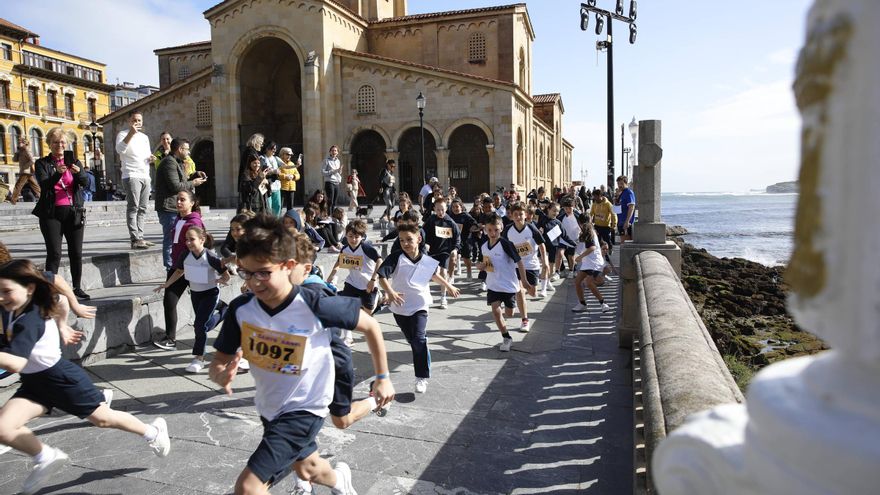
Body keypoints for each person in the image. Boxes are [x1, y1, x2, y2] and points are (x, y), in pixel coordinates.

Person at [208, 214, 394, 495]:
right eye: (247, 273)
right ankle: (339, 480)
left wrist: (383, 377)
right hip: (270, 408)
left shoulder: (313, 304)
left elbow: (370, 325)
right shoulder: (241, 310)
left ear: (289, 266)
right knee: (307, 468)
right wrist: (221, 375)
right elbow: (219, 361)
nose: (255, 283)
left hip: (306, 408)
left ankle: (370, 404)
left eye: (264, 272)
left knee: (248, 487)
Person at [0, 260, 170, 495]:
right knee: (3, 427)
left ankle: (153, 432)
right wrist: (61, 326)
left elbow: (16, 362)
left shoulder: (30, 320)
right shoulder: (14, 307)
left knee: (103, 420)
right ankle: (46, 456)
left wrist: (61, 323)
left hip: (61, 379)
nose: (1, 297)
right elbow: (59, 301)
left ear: (29, 288)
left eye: (6, 291)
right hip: (34, 383)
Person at [377, 221, 459, 394]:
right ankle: (421, 347)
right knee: (412, 340)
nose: (405, 243)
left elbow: (434, 275)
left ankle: (421, 377)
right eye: (401, 240)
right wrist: (390, 292)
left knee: (419, 340)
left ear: (419, 239)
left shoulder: (427, 261)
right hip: (399, 307)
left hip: (420, 305)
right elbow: (381, 276)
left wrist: (449, 286)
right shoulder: (396, 257)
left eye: (409, 239)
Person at [154, 227, 230, 373]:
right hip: (195, 294)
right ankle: (224, 311)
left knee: (199, 325)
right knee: (202, 326)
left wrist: (221, 280)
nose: (188, 242)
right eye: (186, 240)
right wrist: (167, 284)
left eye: (192, 239)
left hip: (210, 294)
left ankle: (198, 358)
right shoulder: (184, 255)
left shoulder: (211, 257)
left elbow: (226, 274)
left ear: (202, 240)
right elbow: (179, 271)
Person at [32, 127, 90, 301]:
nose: (59, 145)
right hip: (51, 214)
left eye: (63, 142)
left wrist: (79, 174)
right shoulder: (42, 163)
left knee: (76, 253)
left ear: (67, 144)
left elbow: (85, 183)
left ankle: (77, 287)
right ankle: (50, 289)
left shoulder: (75, 162)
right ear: (49, 143)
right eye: (55, 142)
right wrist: (57, 173)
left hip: (74, 213)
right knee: (54, 253)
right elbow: (45, 185)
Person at [153, 191, 204, 350]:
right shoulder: (179, 219)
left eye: (183, 200)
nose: (179, 202)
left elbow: (200, 245)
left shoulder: (194, 222)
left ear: (192, 203)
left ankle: (201, 338)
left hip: (191, 267)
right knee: (169, 299)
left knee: (200, 304)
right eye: (178, 200)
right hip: (177, 266)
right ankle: (170, 338)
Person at [478, 213, 531, 352]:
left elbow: (519, 261)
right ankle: (506, 337)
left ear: (501, 228)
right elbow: (484, 262)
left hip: (508, 286)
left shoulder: (506, 244)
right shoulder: (484, 246)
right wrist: (481, 266)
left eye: (495, 229)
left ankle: (512, 314)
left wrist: (524, 281)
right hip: (493, 285)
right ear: (485, 230)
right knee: (496, 312)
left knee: (510, 313)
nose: (493, 233)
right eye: (489, 230)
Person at [326, 219, 383, 345]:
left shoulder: (366, 248)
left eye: (357, 237)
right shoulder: (345, 249)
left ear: (362, 237)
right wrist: (332, 274)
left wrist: (373, 279)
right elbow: (339, 261)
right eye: (350, 236)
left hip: (368, 284)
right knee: (346, 309)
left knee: (367, 314)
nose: (353, 240)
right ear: (346, 236)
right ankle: (348, 337)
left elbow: (380, 261)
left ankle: (378, 297)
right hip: (351, 283)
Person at [155, 138, 207, 269]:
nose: (189, 152)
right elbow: (175, 186)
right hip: (169, 207)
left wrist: (194, 175)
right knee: (170, 239)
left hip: (174, 206)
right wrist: (193, 183)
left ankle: (177, 266)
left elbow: (181, 180)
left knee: (177, 238)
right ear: (180, 149)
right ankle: (170, 268)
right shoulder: (169, 163)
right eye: (187, 149)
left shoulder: (177, 162)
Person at [502, 202, 547, 328]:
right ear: (511, 216)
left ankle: (520, 297)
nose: (518, 217)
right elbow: (503, 245)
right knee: (520, 290)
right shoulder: (508, 230)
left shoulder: (531, 228)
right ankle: (524, 320)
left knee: (532, 292)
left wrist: (545, 263)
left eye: (520, 214)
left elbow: (542, 245)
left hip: (531, 265)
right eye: (515, 214)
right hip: (515, 265)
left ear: (526, 215)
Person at [115, 112, 154, 250]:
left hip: (145, 175)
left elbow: (147, 154)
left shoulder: (145, 137)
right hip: (131, 174)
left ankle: (140, 236)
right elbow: (119, 150)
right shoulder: (122, 134)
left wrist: (151, 158)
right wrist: (131, 133)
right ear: (129, 121)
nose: (137, 122)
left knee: (143, 208)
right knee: (133, 206)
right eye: (134, 120)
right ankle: (134, 238)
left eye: (139, 120)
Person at [423, 196, 460, 309]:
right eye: (438, 209)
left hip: (444, 251)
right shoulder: (431, 220)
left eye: (443, 209)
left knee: (443, 272)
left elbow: (457, 238)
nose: (440, 212)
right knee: (433, 273)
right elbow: (423, 233)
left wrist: (455, 249)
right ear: (434, 209)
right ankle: (426, 295)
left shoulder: (450, 222)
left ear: (446, 208)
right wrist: (425, 244)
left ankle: (443, 297)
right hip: (432, 251)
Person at [571, 219, 612, 314]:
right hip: (588, 263)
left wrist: (580, 257)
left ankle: (603, 303)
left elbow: (592, 248)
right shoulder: (589, 232)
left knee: (588, 282)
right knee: (577, 281)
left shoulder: (589, 232)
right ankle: (582, 304)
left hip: (594, 263)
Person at [448, 198, 477, 279]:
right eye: (453, 207)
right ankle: (451, 276)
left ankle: (469, 270)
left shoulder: (465, 215)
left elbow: (474, 222)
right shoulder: (450, 216)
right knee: (453, 258)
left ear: (461, 206)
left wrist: (473, 227)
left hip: (465, 240)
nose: (455, 209)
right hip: (454, 241)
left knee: (466, 259)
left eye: (457, 206)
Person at [10, 137, 40, 205]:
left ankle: (13, 200)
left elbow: (32, 160)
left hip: (26, 171)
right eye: (18, 142)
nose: (18, 143)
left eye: (20, 142)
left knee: (18, 185)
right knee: (35, 186)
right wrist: (17, 152)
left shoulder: (27, 150)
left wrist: (25, 166)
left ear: (24, 143)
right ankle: (43, 198)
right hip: (26, 171)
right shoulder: (21, 151)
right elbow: (14, 160)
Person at [590, 188, 617, 254]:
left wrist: (614, 225)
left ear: (601, 196)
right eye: (594, 196)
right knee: (597, 241)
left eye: (596, 196)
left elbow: (614, 214)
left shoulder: (608, 204)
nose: (595, 198)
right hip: (597, 226)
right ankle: (600, 253)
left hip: (606, 226)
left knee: (607, 240)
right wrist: (589, 223)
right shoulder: (594, 204)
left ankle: (610, 249)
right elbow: (591, 214)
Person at [260, 141, 283, 217]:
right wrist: (274, 171)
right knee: (268, 206)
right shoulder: (262, 158)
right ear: (267, 149)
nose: (274, 150)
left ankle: (276, 222)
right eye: (273, 149)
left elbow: (285, 166)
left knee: (278, 205)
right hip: (267, 185)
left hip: (276, 185)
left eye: (275, 149)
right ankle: (269, 222)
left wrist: (296, 165)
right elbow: (263, 170)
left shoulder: (275, 158)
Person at [616, 175, 636, 243]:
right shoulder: (621, 193)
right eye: (618, 184)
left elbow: (631, 207)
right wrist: (616, 197)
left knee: (626, 242)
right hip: (620, 221)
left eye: (621, 183)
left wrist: (627, 221)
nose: (619, 186)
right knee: (622, 242)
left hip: (625, 222)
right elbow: (616, 208)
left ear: (626, 183)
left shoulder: (628, 192)